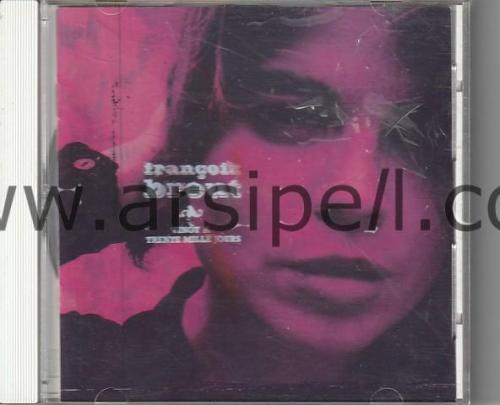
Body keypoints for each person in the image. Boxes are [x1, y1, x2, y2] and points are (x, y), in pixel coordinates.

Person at [61, 5, 454, 402]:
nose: (356, 200)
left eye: (419, 138)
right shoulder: (75, 371)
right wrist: (125, 184)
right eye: (292, 115)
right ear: (196, 143)